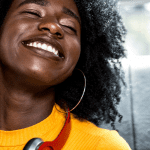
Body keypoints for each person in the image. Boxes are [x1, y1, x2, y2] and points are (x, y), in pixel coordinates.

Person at [0, 0, 131, 149]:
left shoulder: (103, 146)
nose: (53, 26)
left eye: (69, 26)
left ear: (79, 60)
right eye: (33, 13)